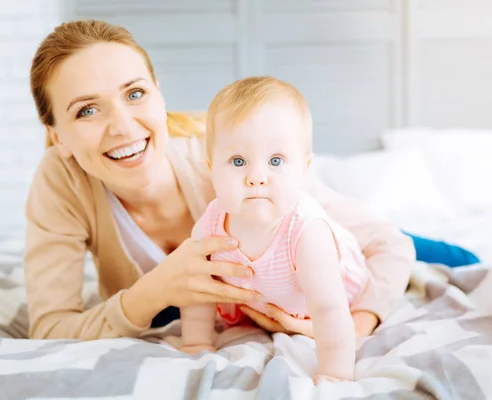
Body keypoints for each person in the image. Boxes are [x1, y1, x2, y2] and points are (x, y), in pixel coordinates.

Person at [23, 19, 419, 342]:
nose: (123, 127)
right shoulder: (62, 181)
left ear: (159, 95)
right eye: (87, 110)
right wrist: (153, 290)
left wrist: (356, 326)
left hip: (317, 247)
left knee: (433, 251)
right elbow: (52, 328)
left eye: (135, 93)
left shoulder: (233, 165)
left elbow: (388, 243)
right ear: (59, 137)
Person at [180, 76, 373, 383]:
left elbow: (329, 309)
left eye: (276, 160)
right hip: (267, 296)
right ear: (211, 168)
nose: (256, 177)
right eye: (238, 160)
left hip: (331, 291)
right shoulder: (210, 225)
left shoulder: (307, 235)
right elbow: (197, 291)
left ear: (304, 169)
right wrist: (195, 343)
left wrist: (335, 373)